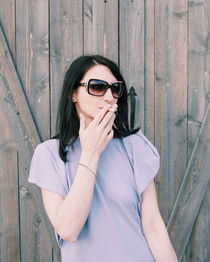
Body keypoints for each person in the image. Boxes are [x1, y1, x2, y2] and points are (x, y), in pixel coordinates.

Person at [28, 55, 178, 262]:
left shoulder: (133, 146)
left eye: (115, 89)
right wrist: (90, 153)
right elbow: (68, 230)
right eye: (97, 87)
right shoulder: (49, 154)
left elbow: (153, 227)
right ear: (73, 93)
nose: (109, 97)